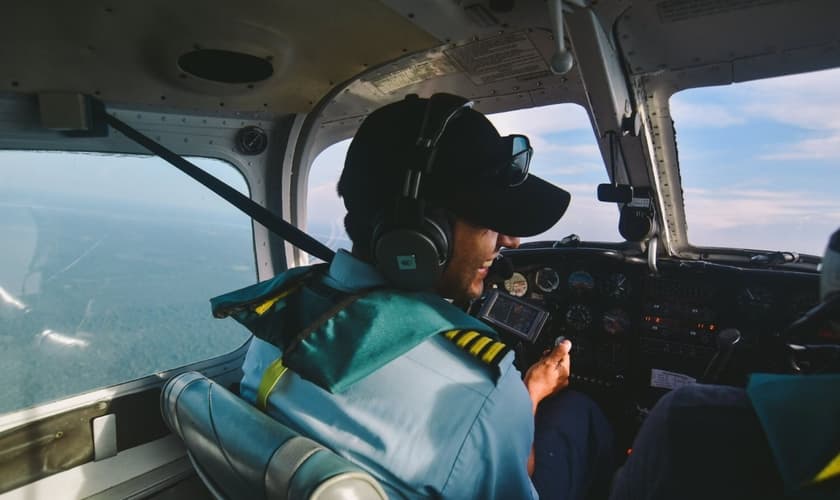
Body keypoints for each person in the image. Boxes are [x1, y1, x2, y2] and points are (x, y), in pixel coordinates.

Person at [211, 93, 613, 499]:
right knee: (580, 414)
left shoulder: (276, 320)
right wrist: (528, 397)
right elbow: (517, 478)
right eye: (490, 220)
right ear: (422, 232)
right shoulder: (482, 397)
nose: (511, 240)